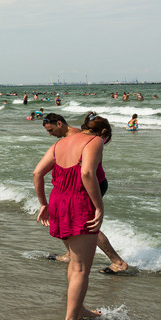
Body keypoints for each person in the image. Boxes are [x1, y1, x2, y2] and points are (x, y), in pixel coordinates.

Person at [33, 113, 105, 320]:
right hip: (78, 204)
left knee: (75, 262)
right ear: (103, 132)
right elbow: (86, 173)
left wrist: (43, 204)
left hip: (58, 202)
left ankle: (79, 309)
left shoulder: (59, 144)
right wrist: (99, 207)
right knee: (81, 268)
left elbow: (37, 173)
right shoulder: (95, 141)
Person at [42, 113, 129, 274]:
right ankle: (70, 254)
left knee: (87, 224)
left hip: (90, 184)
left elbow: (87, 171)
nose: (50, 134)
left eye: (51, 130)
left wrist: (98, 206)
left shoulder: (84, 137)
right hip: (75, 186)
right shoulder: (74, 138)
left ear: (60, 123)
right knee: (67, 218)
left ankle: (118, 261)